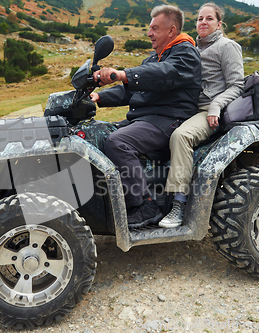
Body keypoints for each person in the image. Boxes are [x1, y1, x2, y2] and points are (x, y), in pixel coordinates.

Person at [90, 5, 202, 229]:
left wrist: (121, 74)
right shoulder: (154, 58)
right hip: (148, 119)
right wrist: (98, 97)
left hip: (169, 119)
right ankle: (115, 198)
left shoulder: (185, 54)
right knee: (99, 135)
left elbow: (164, 74)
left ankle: (145, 204)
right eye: (149, 28)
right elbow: (131, 90)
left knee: (118, 142)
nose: (149, 33)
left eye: (154, 29)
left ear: (171, 31)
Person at [158, 2, 244, 228]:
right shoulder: (193, 48)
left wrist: (216, 105)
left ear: (219, 23)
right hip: (187, 109)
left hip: (209, 112)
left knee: (181, 136)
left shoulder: (228, 46)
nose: (203, 22)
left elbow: (237, 86)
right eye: (199, 19)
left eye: (209, 19)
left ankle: (179, 204)